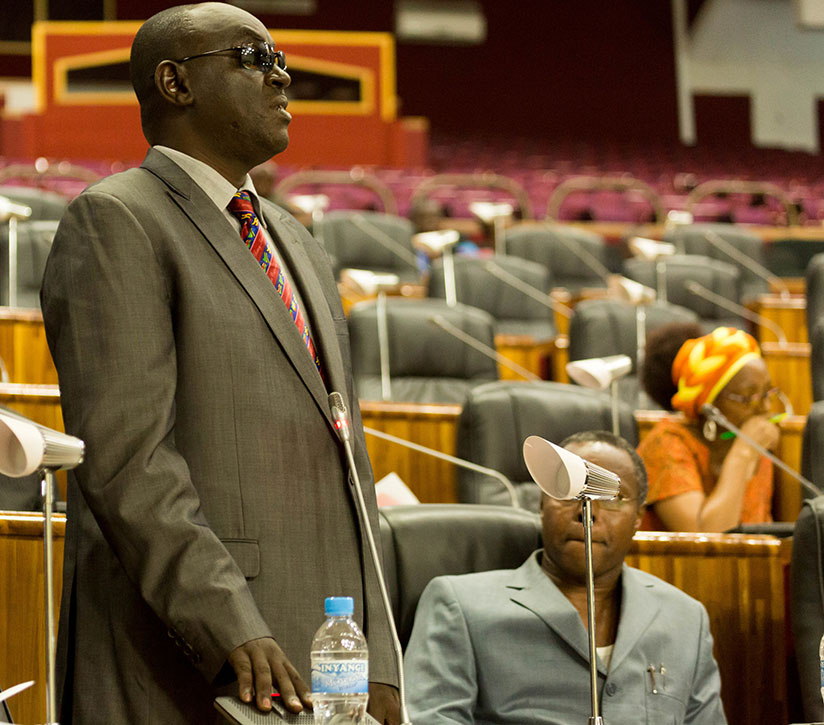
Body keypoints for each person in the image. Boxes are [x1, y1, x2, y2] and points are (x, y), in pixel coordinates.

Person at [40, 4, 398, 723]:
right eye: (254, 57)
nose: (283, 75)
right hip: (191, 654)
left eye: (281, 59)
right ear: (175, 83)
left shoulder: (295, 238)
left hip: (324, 658)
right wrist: (229, 623)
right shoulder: (118, 219)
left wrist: (378, 656)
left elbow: (350, 463)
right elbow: (126, 458)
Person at [404, 431, 726, 725]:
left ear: (639, 518)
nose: (588, 511)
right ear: (542, 502)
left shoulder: (685, 619)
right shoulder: (460, 605)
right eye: (569, 491)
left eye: (612, 497)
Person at [639, 323, 779, 532]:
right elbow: (707, 542)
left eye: (768, 392)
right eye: (748, 397)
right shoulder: (666, 444)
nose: (765, 407)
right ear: (709, 405)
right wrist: (742, 454)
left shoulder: (754, 445)